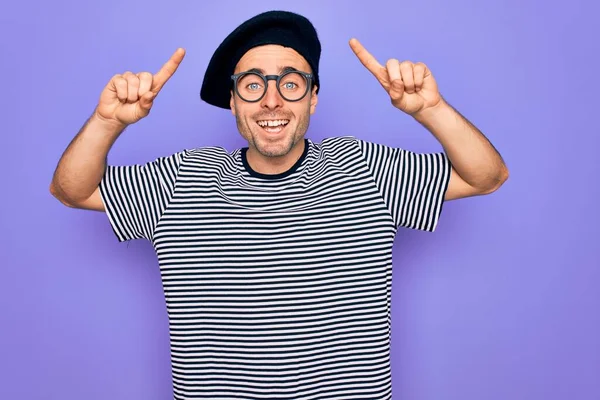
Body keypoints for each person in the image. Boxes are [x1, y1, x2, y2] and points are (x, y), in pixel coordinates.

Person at [50, 9, 508, 400]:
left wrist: (430, 110)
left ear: (312, 97)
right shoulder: (181, 178)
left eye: (290, 83)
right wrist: (107, 122)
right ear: (232, 102)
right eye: (252, 84)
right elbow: (73, 190)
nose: (272, 100)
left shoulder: (365, 167)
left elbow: (485, 177)